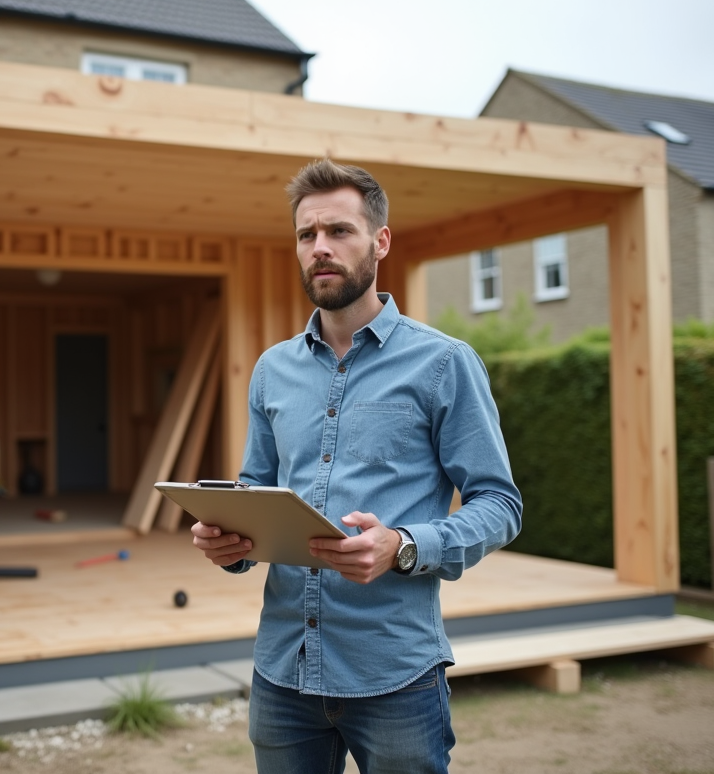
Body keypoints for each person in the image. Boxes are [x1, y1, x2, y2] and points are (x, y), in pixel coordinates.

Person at [191, 159, 522, 774]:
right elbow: (258, 489)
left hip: (394, 674)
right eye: (306, 235)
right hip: (282, 672)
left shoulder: (444, 363)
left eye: (339, 231)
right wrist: (228, 538)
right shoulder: (272, 370)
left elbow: (501, 506)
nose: (320, 248)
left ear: (380, 241)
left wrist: (402, 544)